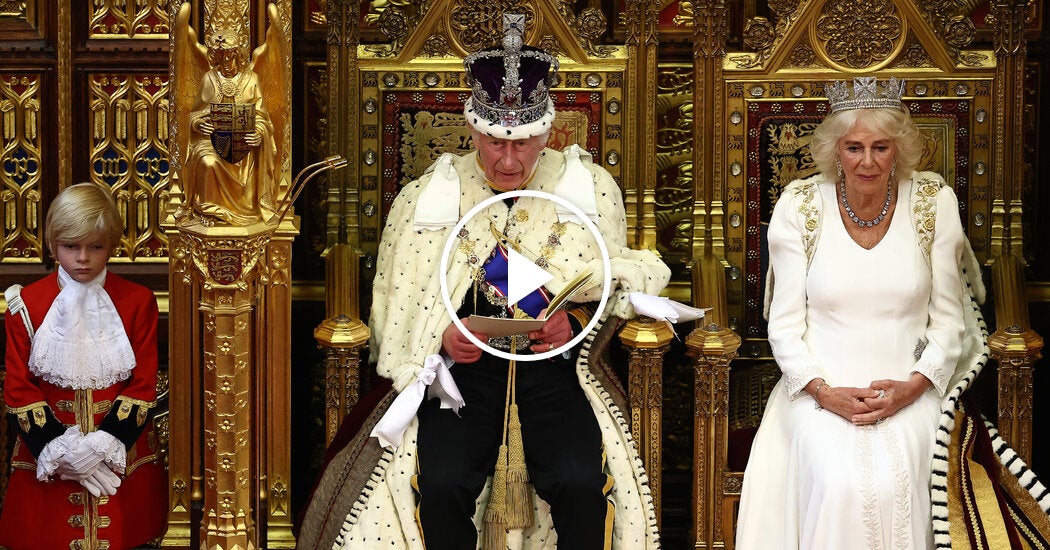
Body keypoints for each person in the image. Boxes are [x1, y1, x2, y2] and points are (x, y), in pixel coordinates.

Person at [297, 14, 668, 550]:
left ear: (547, 133)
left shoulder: (585, 186)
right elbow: (405, 306)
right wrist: (442, 340)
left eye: (523, 144)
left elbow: (622, 277)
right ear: (473, 131)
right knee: (443, 483)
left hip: (556, 370)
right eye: (495, 142)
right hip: (461, 373)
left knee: (579, 481)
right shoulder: (431, 194)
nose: (509, 159)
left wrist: (577, 322)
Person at [734, 76, 988, 549]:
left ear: (900, 150)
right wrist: (826, 394)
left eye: (880, 147)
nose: (867, 161)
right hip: (817, 389)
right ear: (835, 150)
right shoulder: (800, 207)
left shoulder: (934, 203)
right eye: (854, 147)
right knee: (840, 481)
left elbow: (950, 321)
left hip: (912, 386)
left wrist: (912, 388)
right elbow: (785, 328)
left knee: (898, 480)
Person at [0, 183, 168, 549]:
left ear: (112, 245)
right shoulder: (26, 306)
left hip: (121, 466)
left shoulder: (138, 301)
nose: (83, 259)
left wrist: (102, 447)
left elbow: (142, 384)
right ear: (52, 245)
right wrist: (62, 453)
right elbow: (19, 387)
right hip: (48, 471)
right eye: (70, 246)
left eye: (96, 246)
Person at [182, 27, 277, 224]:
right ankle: (209, 212)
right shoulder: (209, 78)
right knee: (207, 161)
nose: (226, 61)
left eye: (230, 55)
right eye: (221, 56)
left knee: (247, 158)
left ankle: (248, 208)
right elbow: (195, 114)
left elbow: (261, 116)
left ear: (238, 54)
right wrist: (199, 124)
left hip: (243, 144)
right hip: (212, 141)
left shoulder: (251, 79)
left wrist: (258, 133)